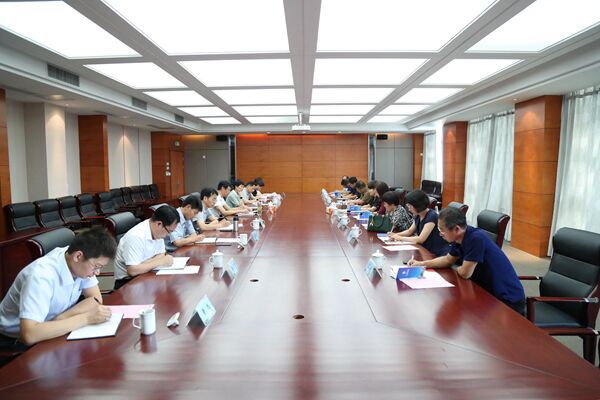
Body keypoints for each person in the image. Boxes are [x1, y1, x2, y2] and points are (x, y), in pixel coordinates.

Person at [0, 227, 117, 348]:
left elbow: (95, 299)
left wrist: (62, 318)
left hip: (53, 326)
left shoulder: (76, 260)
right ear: (78, 256)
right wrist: (86, 318)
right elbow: (29, 335)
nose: (97, 272)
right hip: (13, 341)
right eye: (96, 266)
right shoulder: (41, 276)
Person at [408, 207, 525, 314]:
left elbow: (465, 273)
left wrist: (458, 268)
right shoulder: (459, 238)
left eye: (442, 230)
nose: (440, 234)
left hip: (506, 300)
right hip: (485, 293)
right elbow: (448, 260)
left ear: (456, 229)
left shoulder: (476, 238)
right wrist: (421, 264)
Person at [113, 205, 180, 289]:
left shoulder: (157, 232)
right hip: (128, 283)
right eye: (169, 231)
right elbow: (133, 270)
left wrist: (144, 264)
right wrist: (160, 261)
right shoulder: (136, 236)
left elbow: (161, 254)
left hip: (146, 275)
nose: (168, 235)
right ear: (159, 224)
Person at [389, 190, 448, 256]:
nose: (409, 208)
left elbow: (421, 239)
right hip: (424, 249)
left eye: (410, 205)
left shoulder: (432, 216)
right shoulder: (418, 215)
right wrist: (395, 235)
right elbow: (409, 231)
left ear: (418, 205)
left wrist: (400, 238)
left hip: (434, 252)